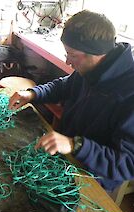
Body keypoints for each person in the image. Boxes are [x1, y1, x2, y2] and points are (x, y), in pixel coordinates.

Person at [9, 10, 134, 192]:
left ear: (95, 54)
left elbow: (127, 164)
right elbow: (64, 86)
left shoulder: (129, 92)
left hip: (90, 177)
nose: (68, 61)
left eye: (72, 55)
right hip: (62, 154)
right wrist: (33, 94)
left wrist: (76, 145)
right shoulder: (91, 70)